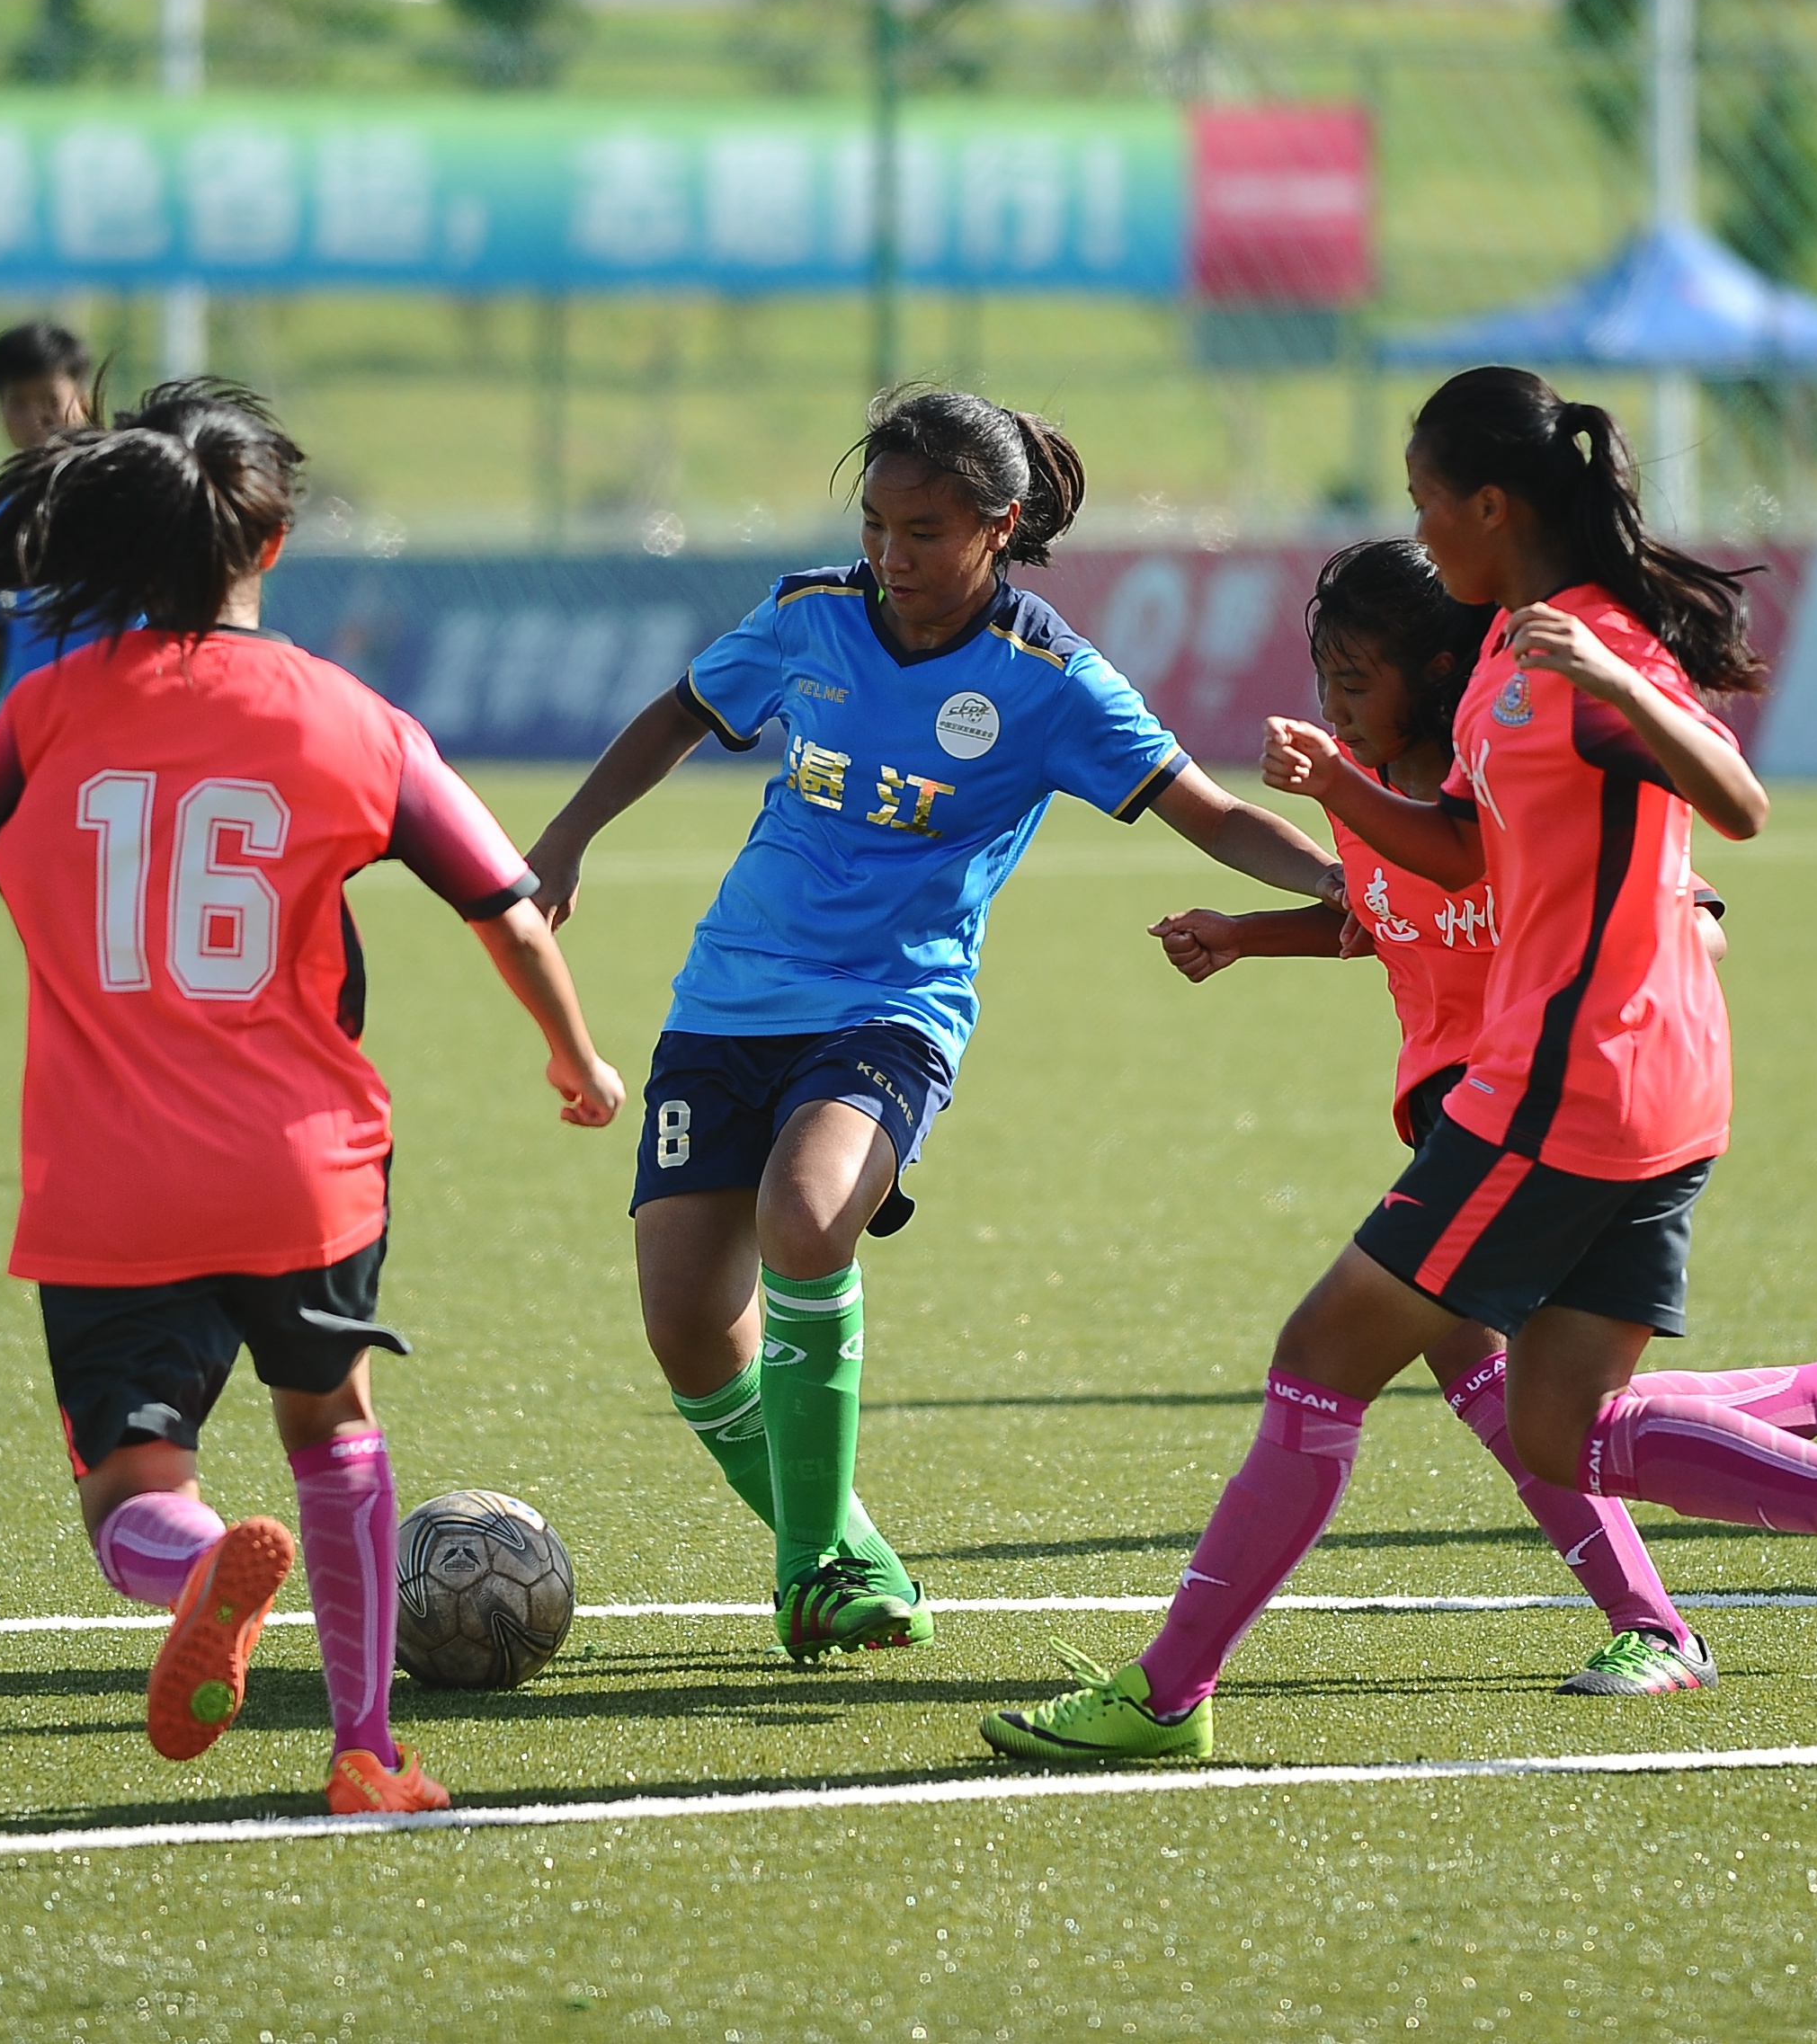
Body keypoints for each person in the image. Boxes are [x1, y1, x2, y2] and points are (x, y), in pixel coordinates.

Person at [981, 369, 1817, 1767]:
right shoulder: (1510, 654)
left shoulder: (1585, 650)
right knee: (1561, 1426)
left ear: (1493, 506)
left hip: (1564, 1085)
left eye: (1426, 500)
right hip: (1635, 1084)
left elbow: (1738, 803)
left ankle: (1165, 1696)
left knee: (1321, 1360)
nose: (1420, 527)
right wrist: (1337, 798)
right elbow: (1458, 859)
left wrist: (1623, 688)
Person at [0, 380, 626, 1815]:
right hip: (304, 1165)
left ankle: (196, 1567)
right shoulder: (355, 719)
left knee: (129, 1484)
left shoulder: (45, 711)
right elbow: (506, 910)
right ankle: (367, 1753)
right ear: (273, 542)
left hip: (108, 1179)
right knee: (334, 1431)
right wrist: (576, 1056)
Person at [523, 386, 1345, 1664]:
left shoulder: (1050, 681)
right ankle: (853, 1548)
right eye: (875, 525)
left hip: (890, 1007)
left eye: (923, 532)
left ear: (998, 528)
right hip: (728, 997)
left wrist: (1345, 882)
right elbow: (683, 711)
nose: (890, 555)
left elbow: (1210, 811)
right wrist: (566, 838)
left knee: (807, 1219)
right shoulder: (808, 615)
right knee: (686, 1329)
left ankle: (806, 1566)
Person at [1146, 538, 1817, 1701]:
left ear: (1434, 673)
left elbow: (1686, 915)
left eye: (1355, 680)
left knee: (1452, 1373)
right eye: (1324, 679)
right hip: (1463, 1116)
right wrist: (1245, 934)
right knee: (1537, 1401)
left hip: (1554, 1114)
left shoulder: (1515, 772)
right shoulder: (1361, 787)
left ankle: (1661, 1618)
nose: (1332, 705)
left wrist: (1635, 969)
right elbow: (1388, 914)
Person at [0, 319, 103, 809]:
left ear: (83, 398)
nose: (37, 420)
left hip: (122, 735)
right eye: (18, 404)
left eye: (51, 401)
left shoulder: (125, 491)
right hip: (33, 741)